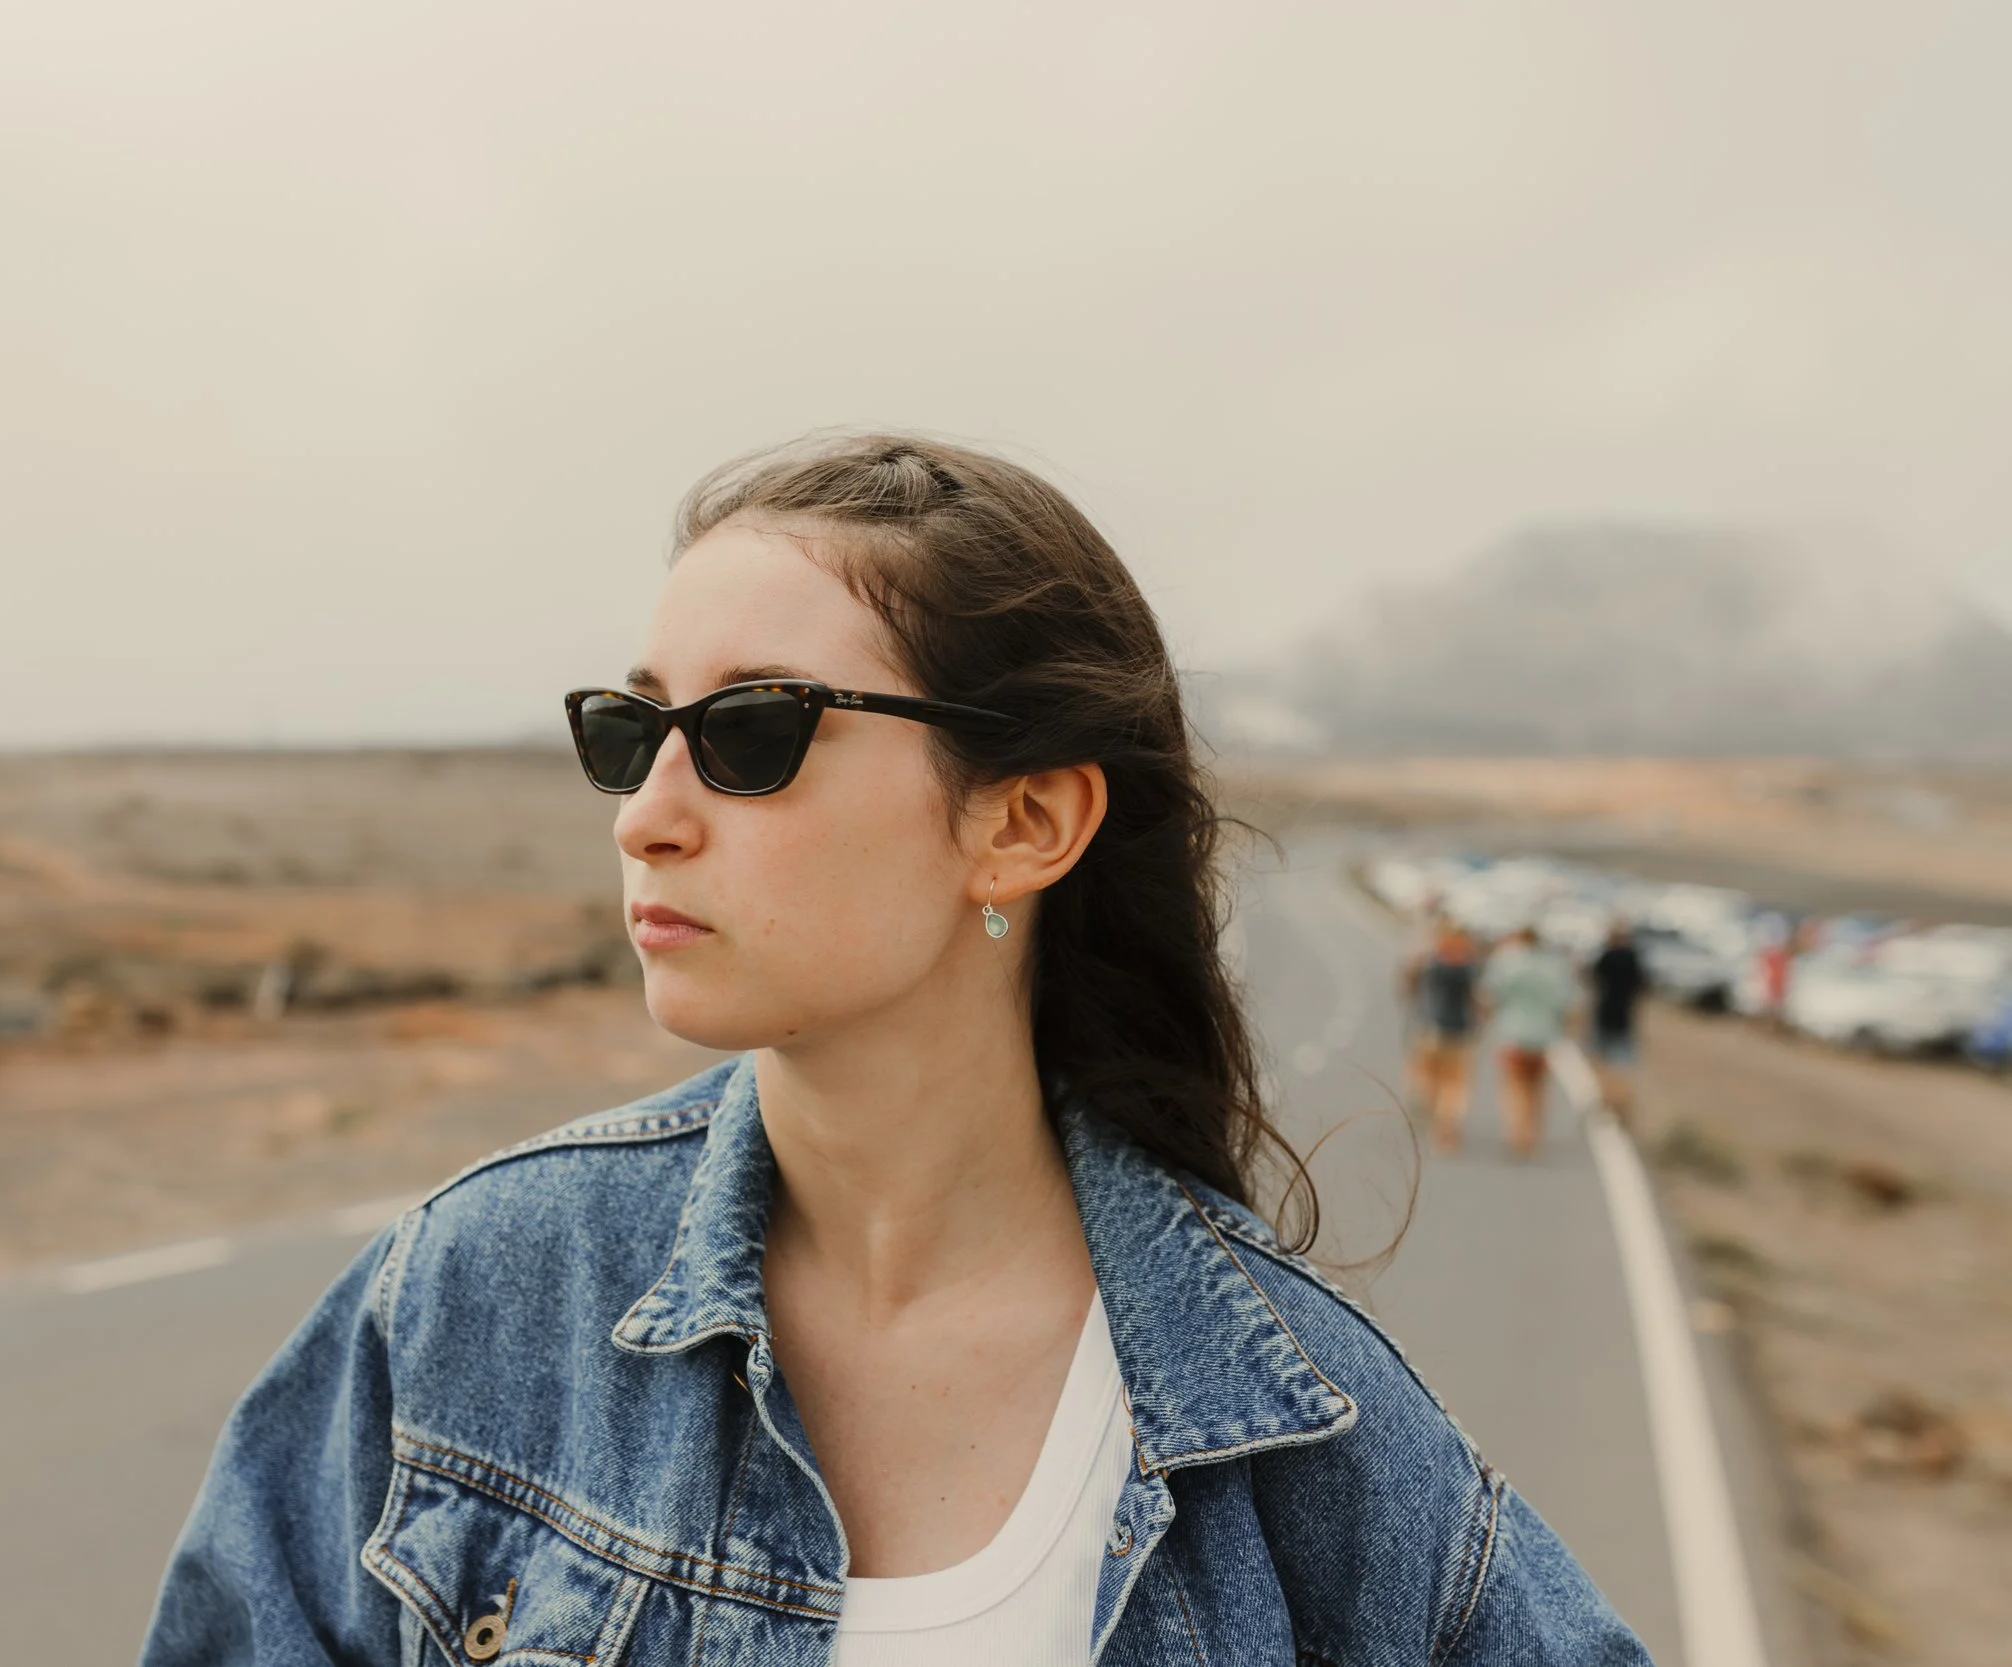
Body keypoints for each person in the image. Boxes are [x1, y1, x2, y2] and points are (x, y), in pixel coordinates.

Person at [141, 436, 1647, 1665]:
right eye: (630, 726)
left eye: (751, 730)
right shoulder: (479, 1291)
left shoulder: (1292, 1422)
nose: (646, 811)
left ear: (1022, 823)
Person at [1479, 924, 1578, 1159]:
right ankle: (1532, 1132)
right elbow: (1569, 1003)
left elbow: (1488, 995)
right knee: (1538, 1087)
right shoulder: (1555, 966)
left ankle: (1517, 1132)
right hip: (1544, 1036)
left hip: (1513, 1033)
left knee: (1514, 1086)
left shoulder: (1507, 962)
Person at [1404, 915, 1482, 1154]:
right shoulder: (1470, 967)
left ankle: (1432, 1112)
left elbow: (1409, 986)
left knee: (1428, 1077)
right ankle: (1446, 1130)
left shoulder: (1430, 962)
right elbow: (1478, 1000)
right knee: (1455, 1086)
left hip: (1429, 1029)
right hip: (1459, 1032)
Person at [1586, 921, 1649, 1123]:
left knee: (1602, 1061)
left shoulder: (1606, 957)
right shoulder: (1635, 959)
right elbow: (1643, 987)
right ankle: (1622, 1102)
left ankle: (1607, 1100)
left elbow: (1593, 980)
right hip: (1625, 1017)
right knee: (1623, 1063)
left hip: (1605, 1015)